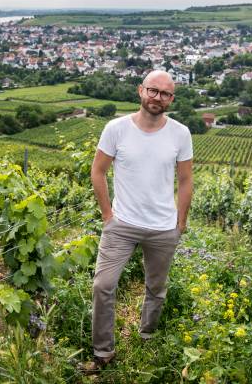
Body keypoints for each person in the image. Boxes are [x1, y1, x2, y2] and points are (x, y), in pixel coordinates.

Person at [82, 70, 193, 373]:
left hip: (163, 228)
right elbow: (98, 171)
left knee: (156, 289)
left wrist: (179, 224)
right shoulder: (116, 128)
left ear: (171, 99)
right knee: (103, 285)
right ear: (140, 91)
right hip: (122, 224)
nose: (158, 98)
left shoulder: (181, 133)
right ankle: (103, 353)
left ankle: (147, 335)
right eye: (153, 91)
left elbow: (185, 180)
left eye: (165, 94)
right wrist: (108, 216)